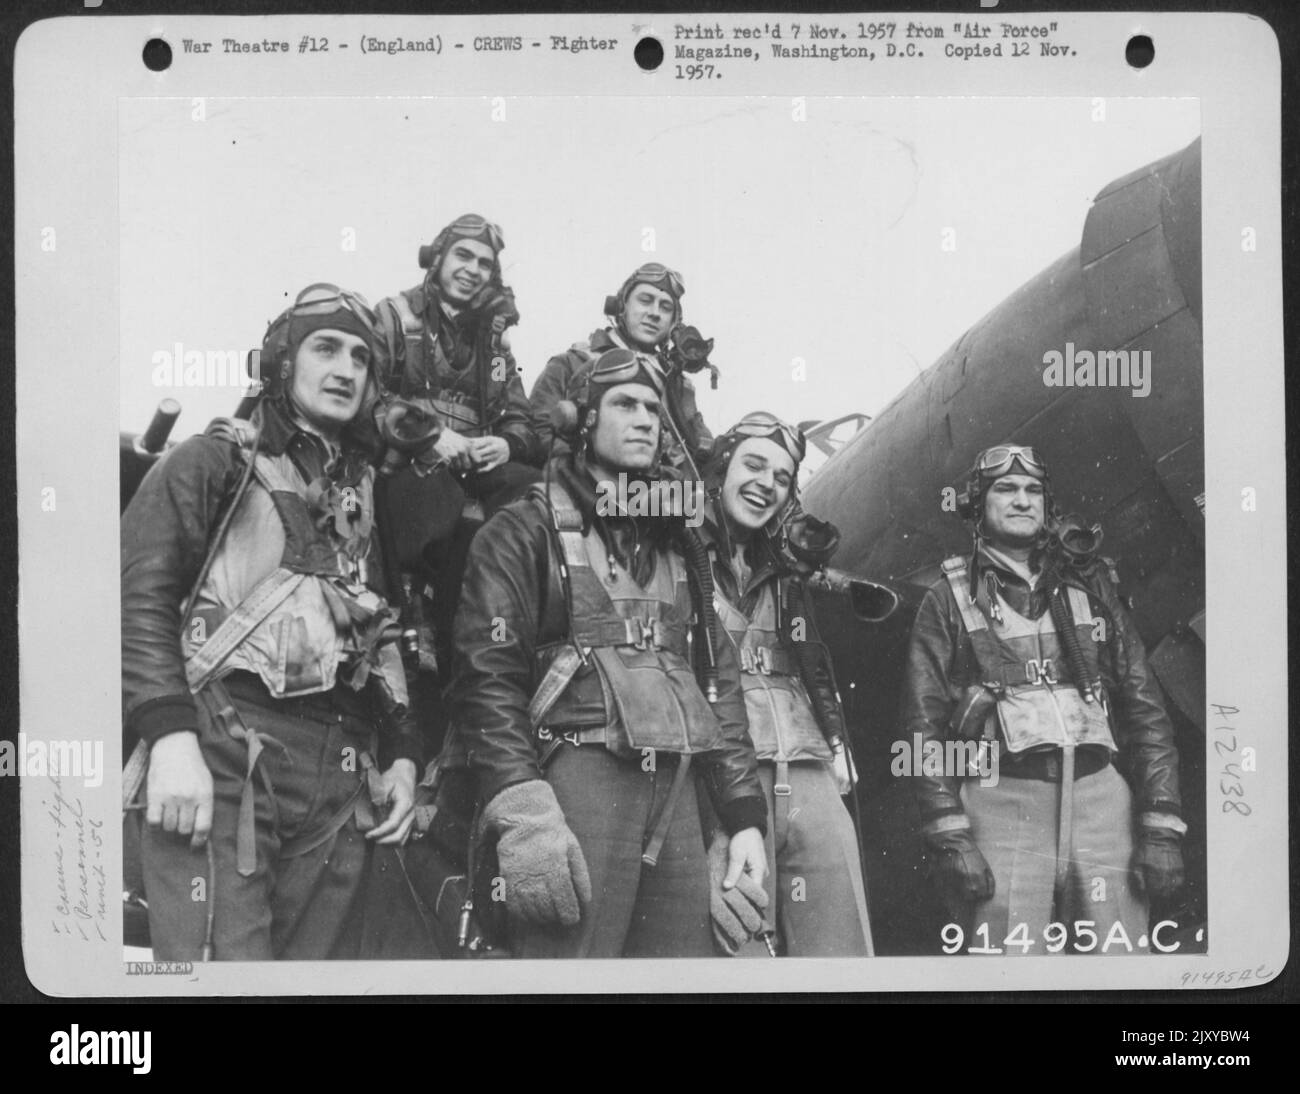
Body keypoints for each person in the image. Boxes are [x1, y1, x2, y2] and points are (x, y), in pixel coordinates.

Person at [122, 284, 421, 960]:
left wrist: (404, 752)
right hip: (226, 751)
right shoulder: (216, 460)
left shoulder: (365, 493)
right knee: (222, 980)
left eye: (360, 358)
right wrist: (169, 739)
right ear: (282, 363)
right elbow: (140, 595)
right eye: (325, 348)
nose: (346, 369)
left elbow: (386, 627)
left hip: (342, 771)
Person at [443, 347, 768, 958]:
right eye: (625, 404)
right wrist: (523, 811)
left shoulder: (680, 547)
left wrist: (741, 816)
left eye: (654, 407)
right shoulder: (522, 529)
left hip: (676, 793)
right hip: (574, 782)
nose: (645, 418)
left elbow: (718, 687)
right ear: (582, 421)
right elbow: (487, 679)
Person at [902, 444, 1186, 955]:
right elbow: (924, 724)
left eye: (1033, 490)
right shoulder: (945, 598)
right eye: (1005, 489)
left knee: (1122, 965)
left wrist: (1161, 824)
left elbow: (1145, 706)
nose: (1021, 500)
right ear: (978, 504)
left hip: (1101, 799)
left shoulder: (1091, 583)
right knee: (1008, 971)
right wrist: (950, 833)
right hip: (1003, 802)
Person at [702, 412, 872, 956]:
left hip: (806, 760)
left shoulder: (785, 571)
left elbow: (810, 660)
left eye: (780, 477)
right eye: (753, 465)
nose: (765, 485)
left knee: (842, 939)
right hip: (721, 770)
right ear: (722, 466)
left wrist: (838, 743)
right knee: (736, 941)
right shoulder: (680, 556)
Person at [372, 214, 542, 752]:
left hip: (473, 469)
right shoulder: (395, 318)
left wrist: (507, 445)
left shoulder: (494, 344)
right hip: (405, 467)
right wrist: (426, 436)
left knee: (535, 491)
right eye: (463, 257)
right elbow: (365, 399)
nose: (472, 270)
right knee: (447, 520)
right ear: (438, 258)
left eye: (484, 263)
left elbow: (522, 419)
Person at [529, 262, 714, 471]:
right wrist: (582, 476)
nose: (655, 313)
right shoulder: (572, 363)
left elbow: (700, 448)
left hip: (659, 494)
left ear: (674, 323)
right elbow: (540, 429)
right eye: (645, 301)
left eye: (665, 307)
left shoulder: (678, 385)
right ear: (621, 306)